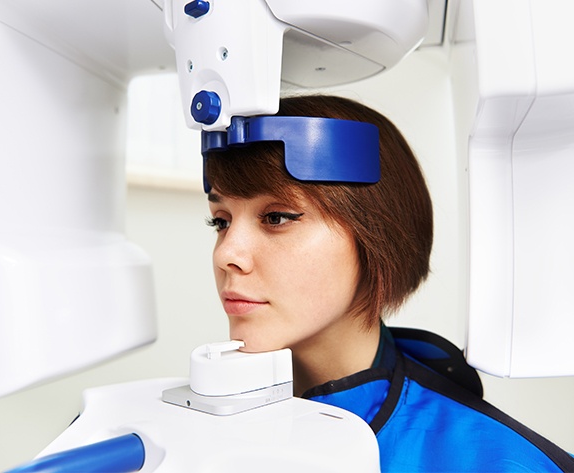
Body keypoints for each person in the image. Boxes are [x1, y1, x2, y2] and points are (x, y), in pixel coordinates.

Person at [203, 95, 574, 472]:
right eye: (221, 221)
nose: (226, 254)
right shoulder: (195, 430)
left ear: (375, 234)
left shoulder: (502, 462)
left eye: (277, 217)